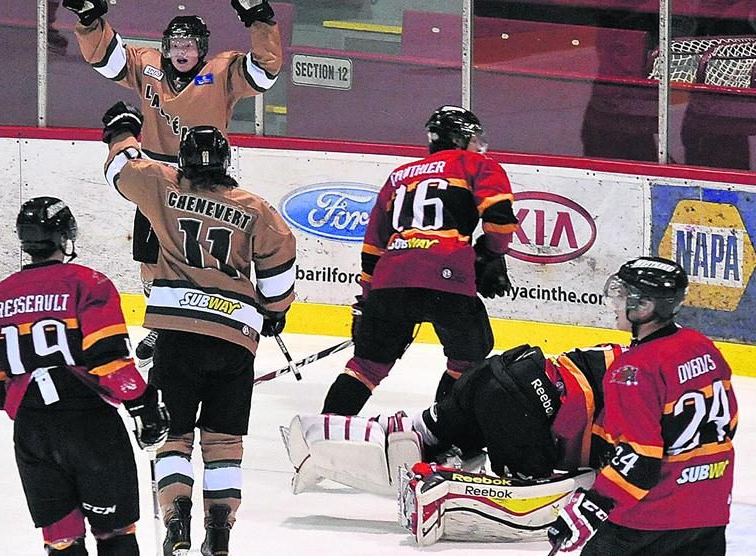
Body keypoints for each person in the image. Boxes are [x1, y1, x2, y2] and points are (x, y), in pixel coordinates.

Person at [100, 102, 297, 556]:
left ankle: (177, 519)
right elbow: (280, 259)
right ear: (226, 161)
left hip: (177, 335)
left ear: (183, 160)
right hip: (234, 340)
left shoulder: (161, 185)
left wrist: (123, 130)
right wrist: (274, 310)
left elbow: (120, 168)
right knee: (224, 441)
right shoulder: (255, 209)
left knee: (175, 434)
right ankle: (221, 528)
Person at [62, 0, 283, 366]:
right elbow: (107, 60)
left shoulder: (222, 71)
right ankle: (161, 323)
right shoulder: (147, 67)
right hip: (155, 183)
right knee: (150, 260)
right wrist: (89, 17)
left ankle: (211, 318)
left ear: (202, 48)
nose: (182, 52)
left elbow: (264, 72)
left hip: (207, 182)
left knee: (206, 257)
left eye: (189, 45)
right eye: (176, 44)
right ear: (166, 46)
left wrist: (261, 18)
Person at [0, 196, 170, 556]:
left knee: (61, 539)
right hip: (89, 425)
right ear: (65, 236)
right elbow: (110, 364)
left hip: (32, 432)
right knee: (114, 533)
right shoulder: (88, 283)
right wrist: (144, 405)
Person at [282, 341, 624, 544]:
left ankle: (315, 435)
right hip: (523, 402)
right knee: (537, 496)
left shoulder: (628, 358)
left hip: (496, 372)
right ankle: (438, 488)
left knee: (421, 432)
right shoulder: (643, 380)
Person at [320, 105, 519, 417]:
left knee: (367, 366)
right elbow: (500, 221)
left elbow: (373, 247)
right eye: (473, 138)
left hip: (391, 279)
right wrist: (491, 253)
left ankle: (327, 428)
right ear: (459, 138)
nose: (478, 145)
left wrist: (367, 302)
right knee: (468, 361)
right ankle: (441, 430)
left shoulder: (399, 177)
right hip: (449, 275)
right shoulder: (477, 165)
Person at [548, 256, 738, 554]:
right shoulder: (703, 346)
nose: (615, 303)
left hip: (651, 518)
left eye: (623, 295)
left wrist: (592, 506)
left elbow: (641, 461)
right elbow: (729, 424)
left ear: (645, 306)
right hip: (710, 507)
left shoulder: (632, 371)